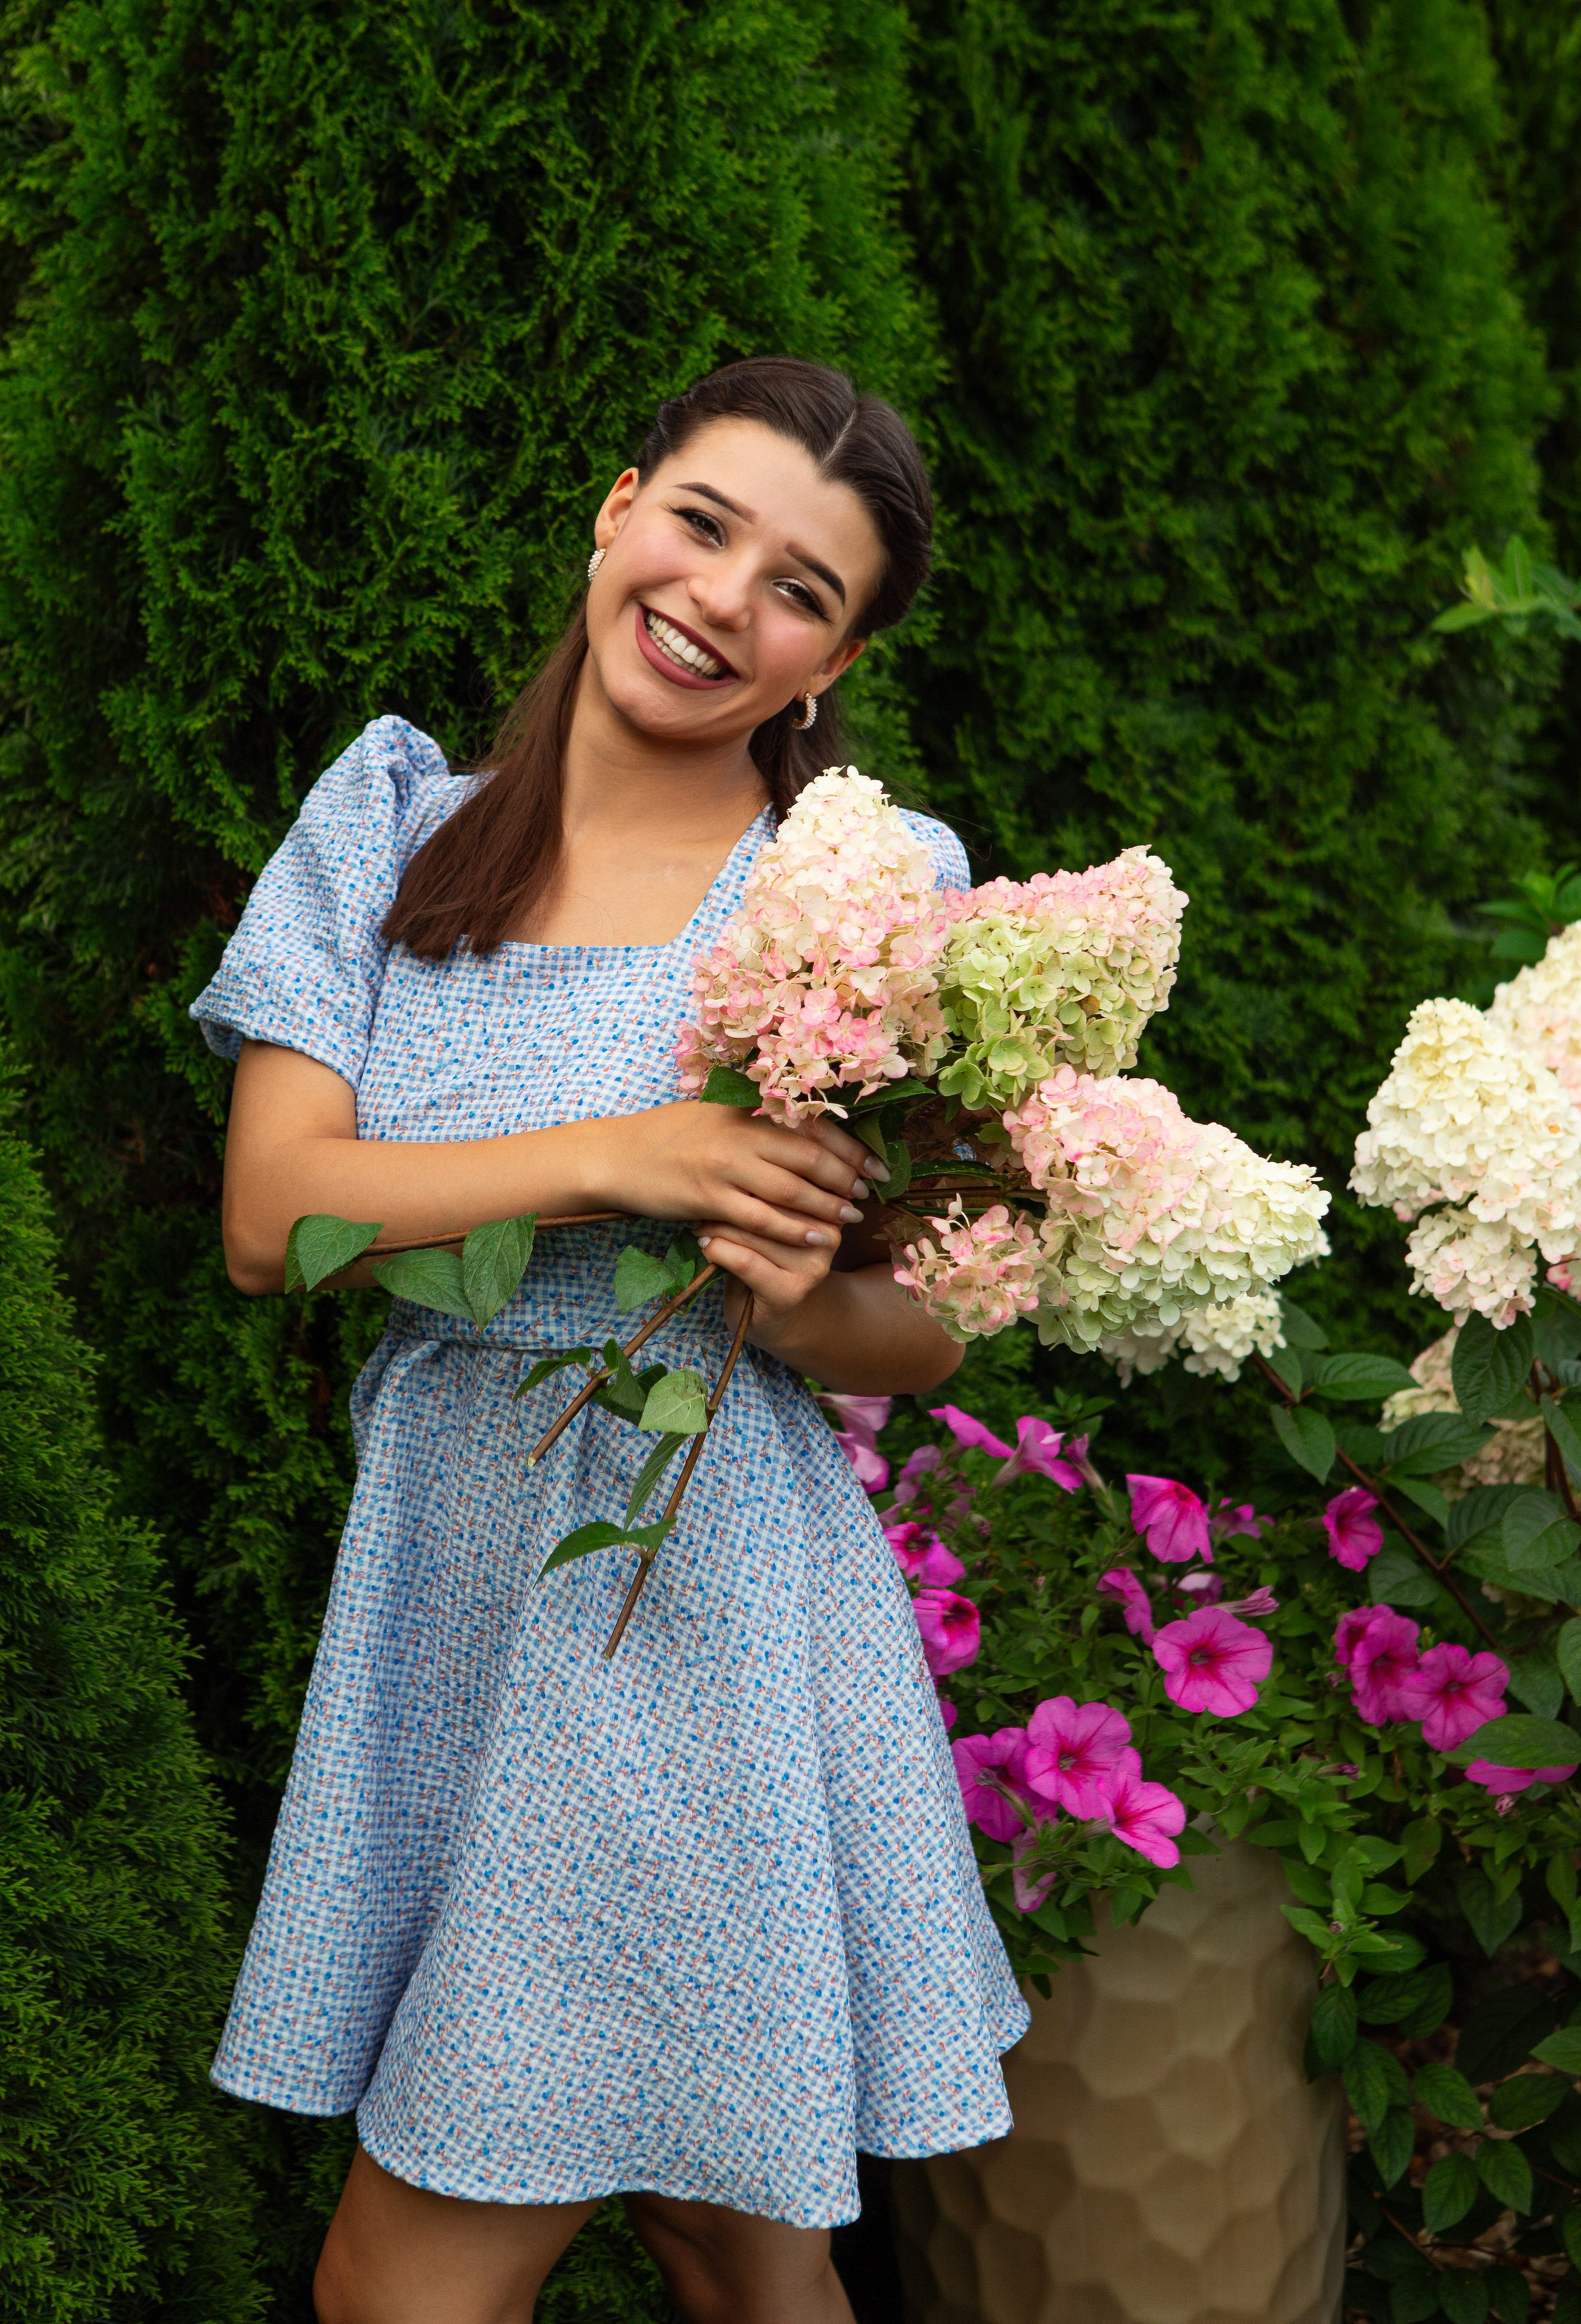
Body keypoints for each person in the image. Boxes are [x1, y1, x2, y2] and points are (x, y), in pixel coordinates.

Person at [192, 356, 1027, 2324]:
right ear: (616, 508)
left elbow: (936, 1334)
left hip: (699, 1605)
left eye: (803, 590)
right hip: (449, 1581)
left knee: (410, 2287)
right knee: (733, 2243)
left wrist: (803, 1299)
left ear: (827, 667)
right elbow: (271, 1218)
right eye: (705, 524)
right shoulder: (396, 826)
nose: (728, 597)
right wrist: (634, 1159)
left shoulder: (866, 896)